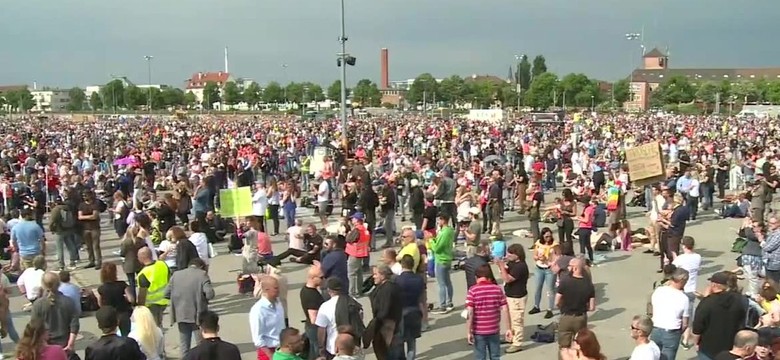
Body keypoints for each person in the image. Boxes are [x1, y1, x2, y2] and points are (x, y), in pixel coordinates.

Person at [691, 271, 748, 360]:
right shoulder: (741, 300)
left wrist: (695, 343)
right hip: (731, 346)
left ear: (714, 285)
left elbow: (698, 326)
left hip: (708, 348)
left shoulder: (708, 302)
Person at [165, 257, 215, 358]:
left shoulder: (176, 275)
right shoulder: (202, 275)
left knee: (184, 345)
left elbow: (166, 293)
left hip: (181, 314)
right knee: (200, 344)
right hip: (198, 314)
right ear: (201, 266)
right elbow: (210, 294)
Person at [466, 263, 512, 360]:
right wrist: (508, 328)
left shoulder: (473, 291)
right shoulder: (497, 289)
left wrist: (469, 331)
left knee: (480, 357)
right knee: (495, 356)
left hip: (479, 330)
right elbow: (505, 309)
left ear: (476, 277)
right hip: (494, 329)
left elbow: (470, 312)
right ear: (489, 277)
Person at [30, 272, 79, 354]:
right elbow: (74, 325)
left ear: (43, 285)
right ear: (59, 283)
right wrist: (70, 344)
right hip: (64, 344)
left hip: (45, 345)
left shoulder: (38, 304)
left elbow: (34, 327)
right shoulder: (68, 301)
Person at [556, 257, 596, 358]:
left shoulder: (565, 281)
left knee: (564, 347)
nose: (568, 268)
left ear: (574, 268)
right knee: (580, 345)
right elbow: (592, 307)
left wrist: (562, 306)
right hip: (580, 318)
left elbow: (557, 301)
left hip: (566, 316)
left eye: (569, 266)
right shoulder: (589, 285)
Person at [649, 267, 689, 360]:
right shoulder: (683, 298)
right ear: (683, 281)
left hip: (656, 328)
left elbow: (652, 307)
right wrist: (679, 333)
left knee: (654, 355)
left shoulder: (658, 290)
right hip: (672, 331)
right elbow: (685, 323)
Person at [497, 243, 530, 353]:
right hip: (510, 295)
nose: (508, 255)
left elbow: (507, 279)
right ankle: (511, 336)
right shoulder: (512, 263)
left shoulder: (520, 266)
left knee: (517, 320)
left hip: (517, 297)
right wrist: (501, 264)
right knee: (509, 319)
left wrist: (501, 266)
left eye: (511, 253)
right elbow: (505, 270)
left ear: (518, 255)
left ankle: (517, 343)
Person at [369, 264, 403, 359]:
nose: (373, 277)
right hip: (391, 327)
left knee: (391, 354)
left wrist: (375, 325)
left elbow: (385, 310)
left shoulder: (387, 289)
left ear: (383, 275)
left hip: (388, 329)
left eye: (375, 274)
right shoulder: (388, 286)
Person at [395, 255, 424, 360]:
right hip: (415, 310)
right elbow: (421, 298)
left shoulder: (397, 280)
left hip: (400, 313)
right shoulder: (419, 279)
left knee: (400, 341)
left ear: (402, 264)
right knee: (412, 341)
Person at [250, 276, 285, 360]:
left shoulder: (278, 303)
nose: (278, 290)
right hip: (268, 351)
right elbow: (257, 339)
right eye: (275, 288)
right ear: (266, 289)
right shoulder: (258, 310)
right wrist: (271, 356)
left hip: (282, 349)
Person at [96, 263, 134, 337]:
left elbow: (100, 303)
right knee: (126, 334)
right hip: (123, 312)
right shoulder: (122, 285)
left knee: (110, 334)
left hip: (110, 314)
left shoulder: (101, 288)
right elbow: (131, 299)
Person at [136, 247, 170, 327]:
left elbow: (142, 294)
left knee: (154, 327)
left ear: (141, 258)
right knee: (159, 323)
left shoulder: (143, 274)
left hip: (152, 304)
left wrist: (140, 308)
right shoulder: (162, 264)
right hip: (165, 300)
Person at [430, 214, 455, 314]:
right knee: (448, 282)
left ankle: (442, 305)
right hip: (447, 258)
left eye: (439, 220)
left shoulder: (444, 232)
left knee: (441, 284)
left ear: (443, 220)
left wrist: (431, 240)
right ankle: (449, 302)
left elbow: (437, 248)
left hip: (441, 259)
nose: (438, 222)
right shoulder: (449, 231)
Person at [530, 227, 556, 318]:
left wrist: (547, 259)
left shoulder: (554, 245)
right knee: (537, 288)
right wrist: (537, 258)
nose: (548, 238)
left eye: (549, 236)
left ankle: (550, 309)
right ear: (543, 236)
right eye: (546, 237)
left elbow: (556, 258)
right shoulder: (538, 243)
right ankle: (536, 306)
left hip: (549, 269)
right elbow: (534, 255)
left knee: (550, 290)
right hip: (539, 268)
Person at [315, 278, 344, 359]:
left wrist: (321, 347)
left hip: (334, 347)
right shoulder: (353, 302)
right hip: (351, 346)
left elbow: (321, 330)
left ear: (329, 290)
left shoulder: (325, 306)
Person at [301, 265, 325, 360]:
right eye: (321, 277)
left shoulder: (305, 289)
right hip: (315, 330)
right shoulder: (312, 296)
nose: (323, 279)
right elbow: (314, 319)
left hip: (309, 328)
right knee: (316, 353)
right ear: (312, 278)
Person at [48, 198, 79, 270]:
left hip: (59, 230)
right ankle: (72, 262)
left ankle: (61, 264)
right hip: (68, 229)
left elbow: (52, 221)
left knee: (59, 248)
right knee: (70, 246)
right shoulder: (68, 208)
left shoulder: (56, 209)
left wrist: (51, 229)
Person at [345, 212, 370, 297]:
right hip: (361, 253)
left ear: (357, 220)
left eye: (353, 218)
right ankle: (359, 291)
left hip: (354, 253)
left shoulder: (357, 230)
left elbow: (349, 239)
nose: (352, 220)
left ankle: (352, 293)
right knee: (359, 273)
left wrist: (348, 233)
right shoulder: (364, 229)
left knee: (351, 274)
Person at [78, 190, 103, 269]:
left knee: (96, 246)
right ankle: (91, 261)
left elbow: (95, 216)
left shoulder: (95, 204)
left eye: (86, 195)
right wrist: (89, 216)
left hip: (95, 228)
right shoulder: (81, 205)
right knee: (88, 246)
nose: (84, 197)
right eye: (83, 196)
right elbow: (79, 217)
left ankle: (99, 262)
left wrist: (85, 217)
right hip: (85, 228)